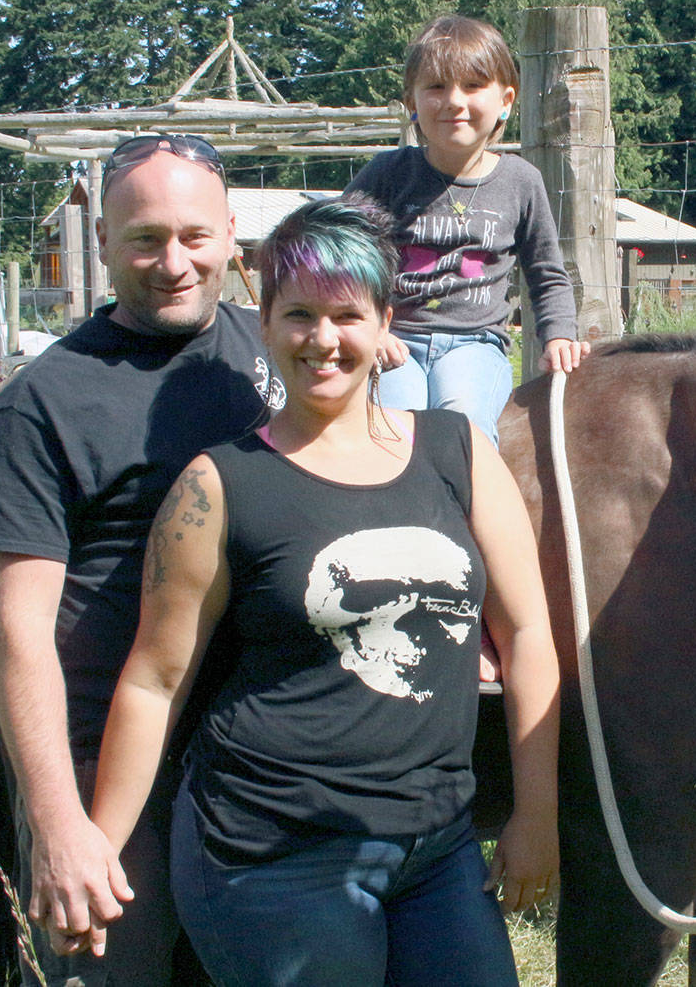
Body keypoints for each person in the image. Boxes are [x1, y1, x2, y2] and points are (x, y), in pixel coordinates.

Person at [71, 194, 560, 985]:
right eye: (298, 314)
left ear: (384, 322)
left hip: (435, 842)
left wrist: (536, 814)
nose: (323, 340)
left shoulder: (457, 450)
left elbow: (528, 632)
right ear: (263, 323)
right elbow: (156, 680)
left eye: (347, 315)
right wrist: (100, 846)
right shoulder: (220, 486)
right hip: (271, 850)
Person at [0, 134, 284, 984]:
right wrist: (60, 822)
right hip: (111, 772)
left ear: (231, 236)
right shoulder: (44, 405)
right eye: (144, 238)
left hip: (270, 763)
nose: (172, 262)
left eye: (193, 236)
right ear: (101, 241)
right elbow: (17, 629)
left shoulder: (283, 354)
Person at [344, 14, 590, 448]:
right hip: (394, 339)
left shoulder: (520, 181)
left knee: (463, 421)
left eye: (473, 86)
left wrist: (559, 334)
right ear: (411, 102)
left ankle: (466, 512)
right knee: (392, 428)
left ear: (506, 100)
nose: (454, 101)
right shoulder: (388, 174)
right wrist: (369, 329)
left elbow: (547, 272)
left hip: (474, 344)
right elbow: (340, 253)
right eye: (436, 87)